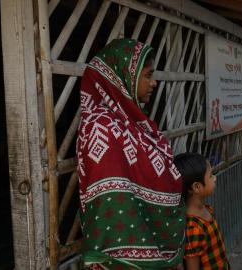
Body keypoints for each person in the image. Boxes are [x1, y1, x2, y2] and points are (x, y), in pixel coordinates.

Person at [77, 39, 185, 269]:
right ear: (120, 79)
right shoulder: (101, 126)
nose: (154, 83)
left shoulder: (134, 123)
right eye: (147, 75)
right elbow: (113, 206)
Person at [173, 153, 230, 270]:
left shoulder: (206, 209)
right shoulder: (193, 228)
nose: (215, 178)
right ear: (197, 187)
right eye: (210, 175)